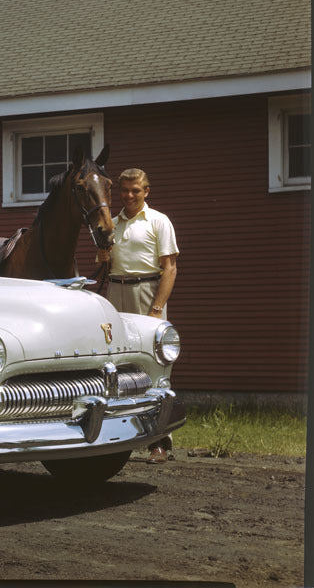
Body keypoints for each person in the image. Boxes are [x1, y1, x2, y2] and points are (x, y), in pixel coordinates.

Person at [96, 167, 179, 463]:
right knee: (117, 362)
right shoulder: (113, 223)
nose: (129, 195)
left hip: (147, 291)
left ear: (146, 192)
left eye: (135, 190)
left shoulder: (158, 221)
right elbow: (105, 264)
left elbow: (169, 267)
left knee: (152, 364)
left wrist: (156, 309)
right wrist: (102, 257)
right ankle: (118, 435)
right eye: (124, 190)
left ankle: (159, 441)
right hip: (115, 291)